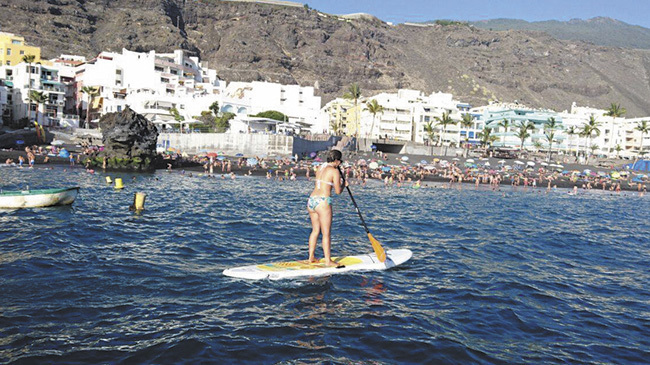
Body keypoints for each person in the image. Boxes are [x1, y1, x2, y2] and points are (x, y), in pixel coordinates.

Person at [307, 149, 345, 266]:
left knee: (315, 230)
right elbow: (338, 191)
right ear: (337, 161)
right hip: (323, 202)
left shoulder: (320, 168)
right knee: (326, 233)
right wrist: (344, 184)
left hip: (312, 200)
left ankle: (311, 257)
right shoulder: (334, 171)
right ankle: (328, 260)